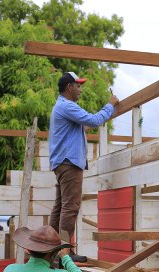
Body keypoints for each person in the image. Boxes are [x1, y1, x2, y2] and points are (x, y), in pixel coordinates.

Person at [48, 71, 119, 258]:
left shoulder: (61, 107)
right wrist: (110, 106)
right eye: (78, 86)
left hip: (62, 162)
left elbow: (84, 126)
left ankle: (51, 249)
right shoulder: (68, 107)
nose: (80, 89)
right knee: (70, 206)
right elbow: (94, 120)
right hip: (69, 162)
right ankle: (64, 251)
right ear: (69, 87)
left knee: (60, 207)